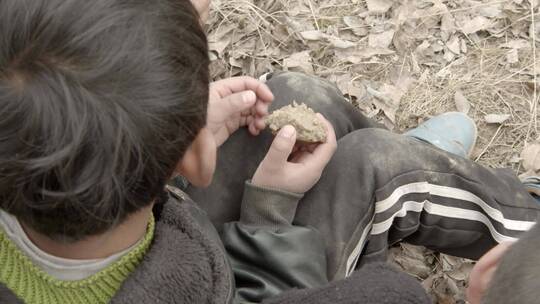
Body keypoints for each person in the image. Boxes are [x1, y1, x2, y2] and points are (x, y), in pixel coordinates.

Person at [0, 1, 538, 304]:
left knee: (294, 98)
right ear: (193, 160)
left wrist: (180, 129)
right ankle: (522, 235)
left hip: (179, 231)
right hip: (259, 280)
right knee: (378, 166)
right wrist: (272, 209)